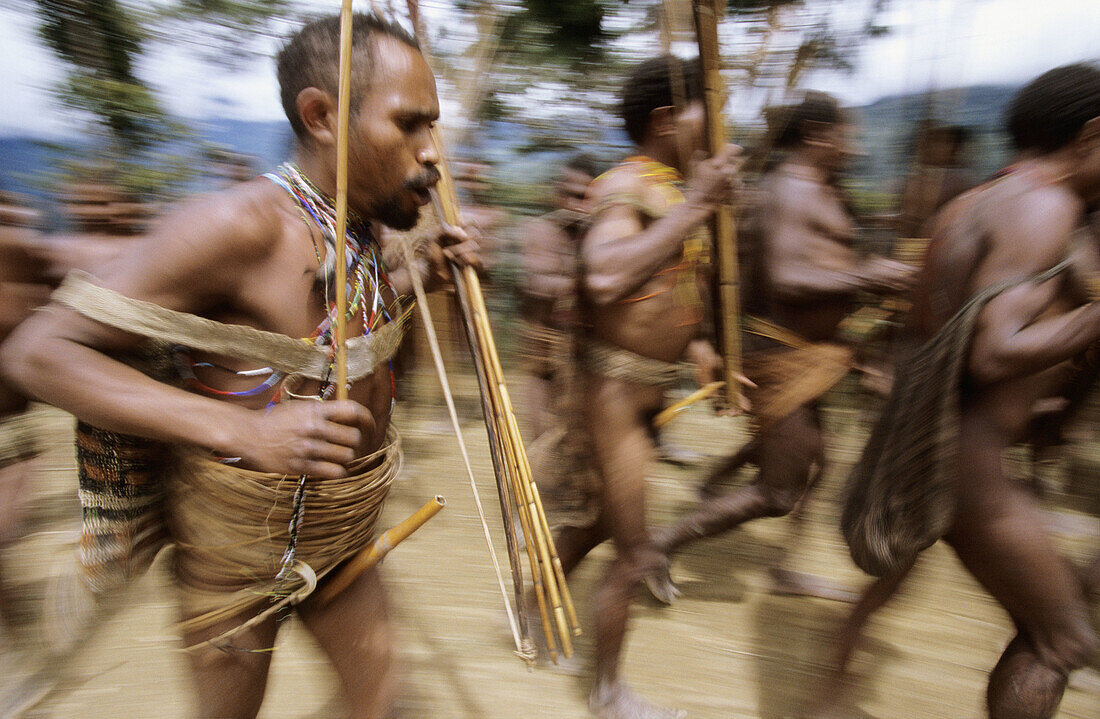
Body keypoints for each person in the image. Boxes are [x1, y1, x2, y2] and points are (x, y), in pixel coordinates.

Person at [1, 12, 480, 719]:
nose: (432, 151)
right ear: (320, 115)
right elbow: (39, 351)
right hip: (236, 561)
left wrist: (418, 278)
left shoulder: (359, 225)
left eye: (432, 125)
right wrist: (245, 431)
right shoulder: (240, 225)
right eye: (410, 123)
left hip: (341, 537)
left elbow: (323, 336)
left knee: (388, 706)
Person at [839, 63, 1100, 719]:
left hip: (933, 449)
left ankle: (826, 695)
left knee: (1051, 615)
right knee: (1058, 639)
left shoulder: (971, 203)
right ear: (1091, 135)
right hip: (972, 465)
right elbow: (991, 350)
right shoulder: (1046, 205)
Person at [647, 92, 916, 602]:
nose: (852, 146)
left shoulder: (817, 188)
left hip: (807, 353)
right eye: (846, 134)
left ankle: (783, 567)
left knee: (818, 460)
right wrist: (870, 275)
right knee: (779, 491)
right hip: (777, 352)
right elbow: (787, 279)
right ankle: (661, 544)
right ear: (817, 134)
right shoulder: (789, 191)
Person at [548, 55, 742, 719]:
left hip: (646, 395)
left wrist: (705, 348)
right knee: (636, 551)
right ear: (665, 119)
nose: (718, 129)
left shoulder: (668, 190)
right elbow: (603, 279)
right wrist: (700, 203)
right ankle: (608, 693)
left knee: (602, 522)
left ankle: (526, 605)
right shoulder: (628, 185)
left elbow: (661, 294)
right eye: (704, 114)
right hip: (614, 397)